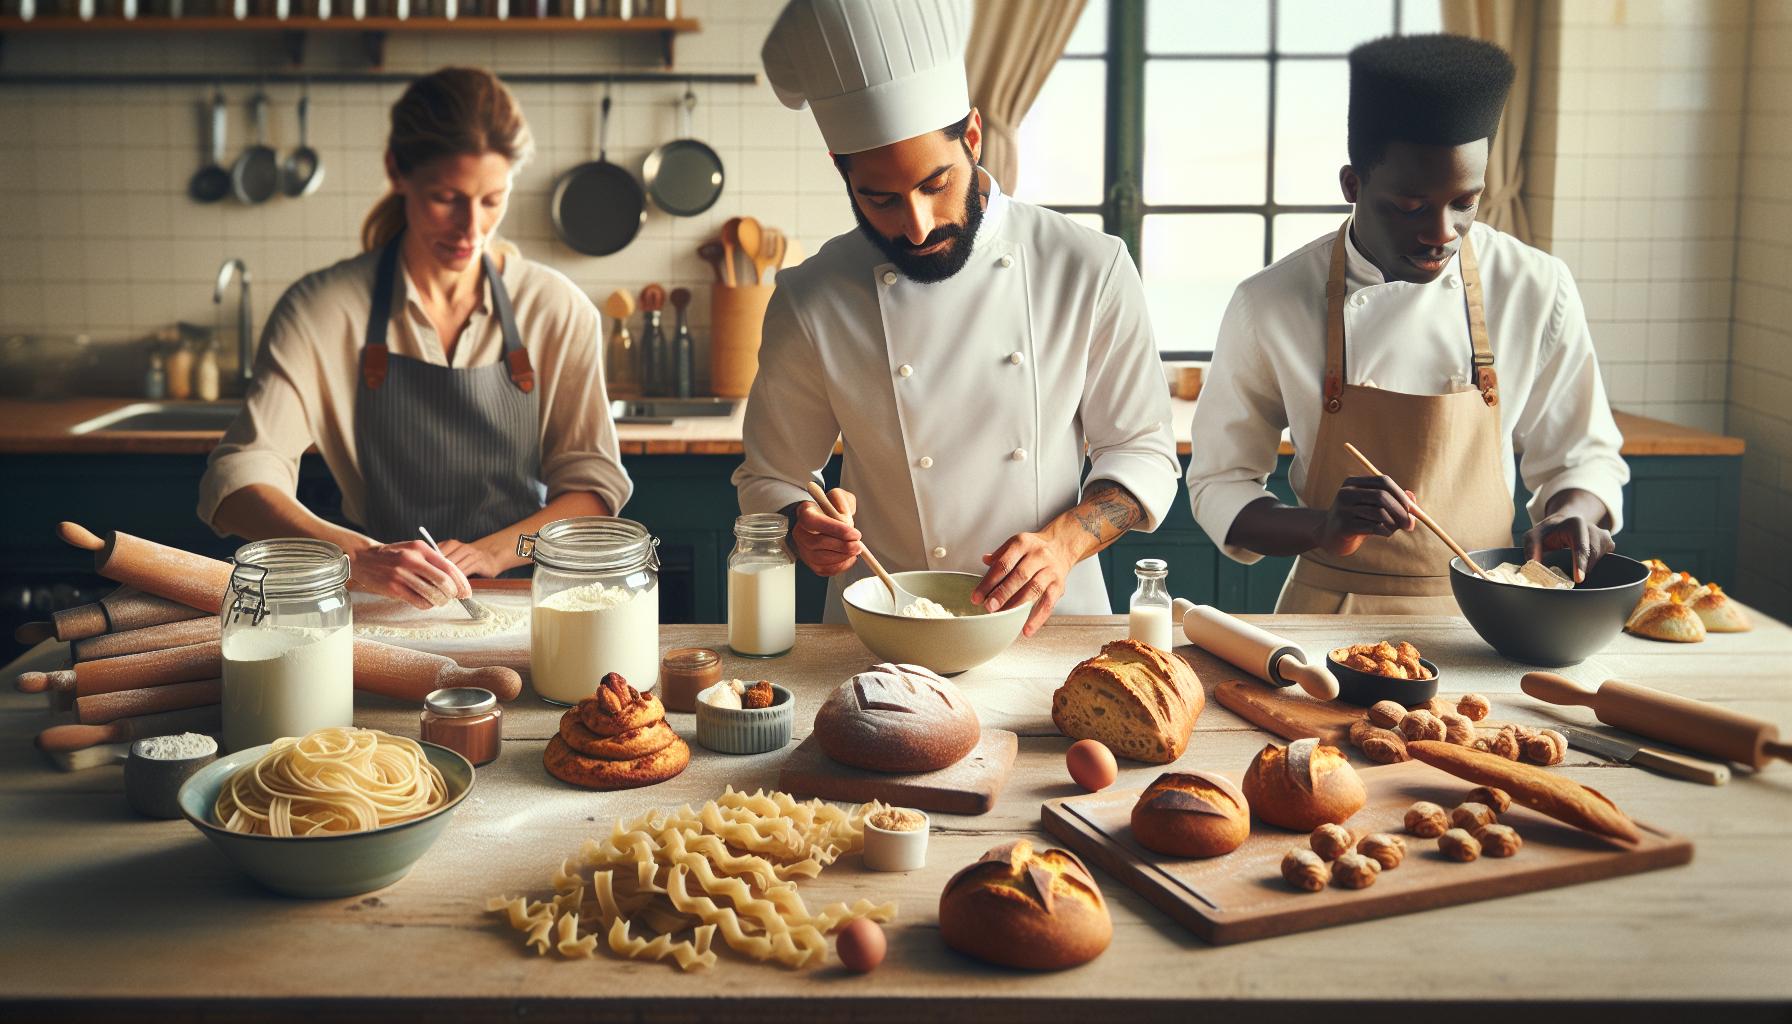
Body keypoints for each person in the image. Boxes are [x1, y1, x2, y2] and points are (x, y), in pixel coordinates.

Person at [735, 0, 1181, 634]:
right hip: (882, 632)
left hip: (1049, 626)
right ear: (843, 172)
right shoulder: (813, 296)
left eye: (934, 184)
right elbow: (771, 477)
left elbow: (1142, 452)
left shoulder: (1088, 265)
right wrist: (800, 527)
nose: (914, 226)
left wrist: (1062, 544)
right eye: (880, 199)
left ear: (972, 137)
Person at [1185, 34, 1629, 614]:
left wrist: (1574, 512)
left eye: (1465, 203)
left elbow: (1581, 456)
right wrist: (1321, 527)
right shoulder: (1270, 301)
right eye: (1410, 207)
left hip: (1494, 615)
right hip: (1328, 616)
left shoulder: (1534, 285)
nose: (1442, 231)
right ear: (1352, 185)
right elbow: (1218, 483)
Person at [198, 67, 630, 609]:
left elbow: (594, 493)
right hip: (373, 601)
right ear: (396, 172)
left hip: (528, 599)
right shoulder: (322, 311)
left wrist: (495, 552)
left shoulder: (556, 309)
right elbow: (237, 480)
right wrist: (355, 558)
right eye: (446, 198)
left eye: (492, 200)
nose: (471, 229)